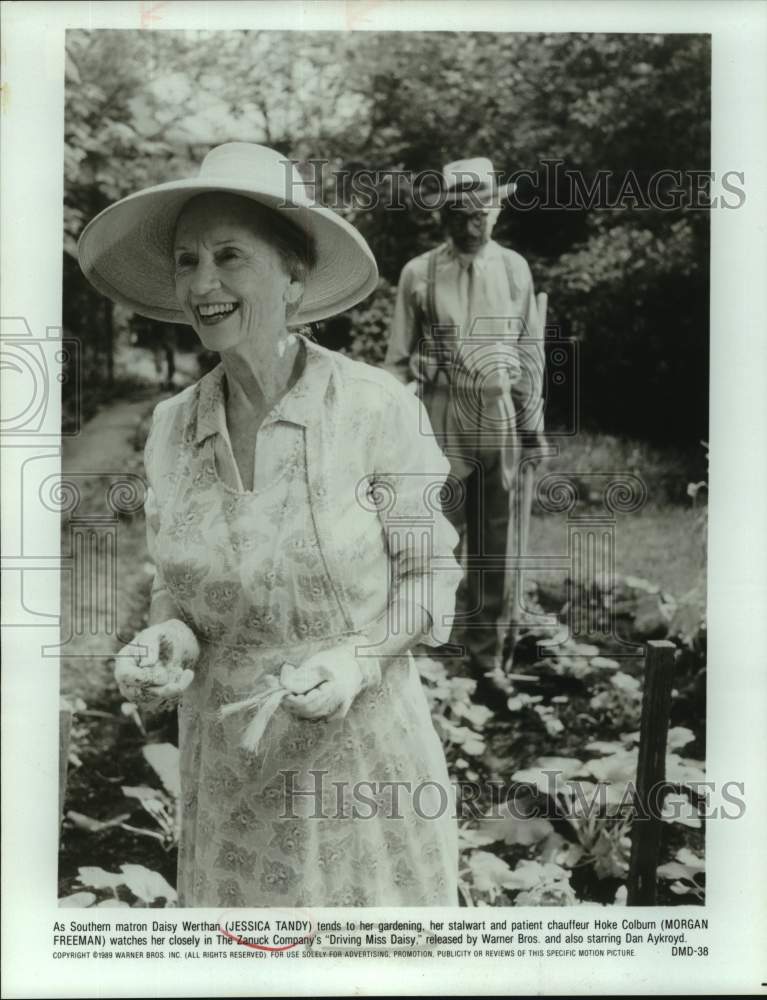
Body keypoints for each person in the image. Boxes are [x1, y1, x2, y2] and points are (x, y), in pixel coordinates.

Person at [78, 142, 463, 907]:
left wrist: (356, 659)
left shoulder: (371, 408)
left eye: (229, 256)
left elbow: (430, 576)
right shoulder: (170, 428)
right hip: (229, 783)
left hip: (358, 771)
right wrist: (169, 639)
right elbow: (175, 591)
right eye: (186, 262)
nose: (203, 283)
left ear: (292, 277)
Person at [385, 156, 546, 692]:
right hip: (440, 414)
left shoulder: (515, 269)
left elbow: (528, 351)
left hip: (497, 413)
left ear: (496, 211)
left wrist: (531, 424)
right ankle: (420, 657)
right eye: (458, 214)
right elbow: (396, 360)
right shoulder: (418, 273)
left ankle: (486, 661)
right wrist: (399, 414)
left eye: (480, 213)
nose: (470, 225)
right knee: (432, 536)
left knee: (496, 542)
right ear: (442, 218)